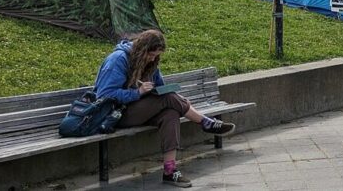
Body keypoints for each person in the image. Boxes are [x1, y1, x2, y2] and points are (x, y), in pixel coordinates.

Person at [94, 29, 236, 188]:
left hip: (141, 109)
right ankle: (205, 122)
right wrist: (137, 92)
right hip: (117, 114)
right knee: (169, 100)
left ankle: (170, 170)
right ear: (142, 50)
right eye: (151, 55)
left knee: (171, 113)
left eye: (156, 56)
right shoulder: (118, 59)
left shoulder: (151, 62)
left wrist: (171, 96)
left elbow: (161, 88)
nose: (152, 59)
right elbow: (104, 94)